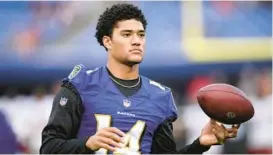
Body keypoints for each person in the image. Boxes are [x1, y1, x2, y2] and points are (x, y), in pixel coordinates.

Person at [40, 3, 240, 154]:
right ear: (107, 41)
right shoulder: (80, 84)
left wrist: (200, 145)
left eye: (141, 35)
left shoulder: (159, 96)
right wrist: (87, 143)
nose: (136, 41)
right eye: (127, 34)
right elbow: (48, 148)